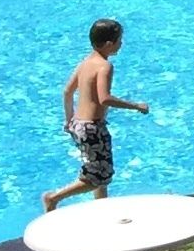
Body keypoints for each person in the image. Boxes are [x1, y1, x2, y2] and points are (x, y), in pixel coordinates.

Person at [41, 18, 150, 211]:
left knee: (99, 171)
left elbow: (67, 91)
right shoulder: (104, 66)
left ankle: (102, 208)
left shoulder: (85, 62)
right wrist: (136, 106)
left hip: (79, 125)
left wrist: (69, 120)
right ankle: (54, 197)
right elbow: (104, 99)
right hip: (93, 128)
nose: (121, 44)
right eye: (119, 40)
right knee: (96, 177)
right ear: (109, 44)